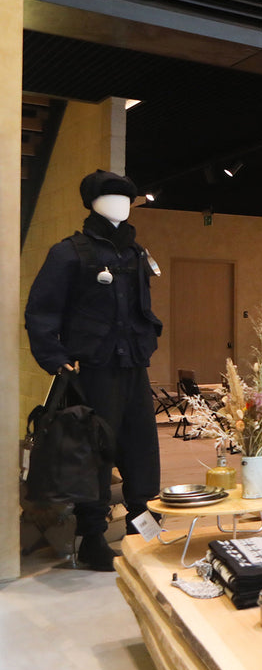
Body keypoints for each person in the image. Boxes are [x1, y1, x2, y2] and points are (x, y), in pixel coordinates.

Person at [25, 169, 163, 571]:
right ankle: (92, 538)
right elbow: (41, 310)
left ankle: (141, 523)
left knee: (141, 443)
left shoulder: (137, 254)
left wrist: (146, 342)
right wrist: (54, 357)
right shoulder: (69, 253)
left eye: (127, 199)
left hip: (132, 363)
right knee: (94, 450)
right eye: (111, 198)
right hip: (92, 368)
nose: (121, 205)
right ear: (93, 203)